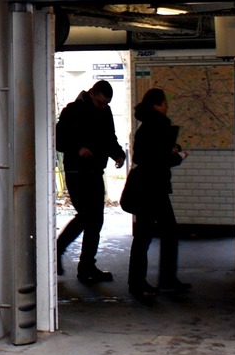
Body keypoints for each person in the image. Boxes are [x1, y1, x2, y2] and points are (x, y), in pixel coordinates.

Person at [54, 79, 126, 283]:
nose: (103, 107)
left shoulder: (105, 112)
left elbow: (109, 137)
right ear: (92, 94)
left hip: (95, 170)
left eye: (106, 104)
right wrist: (78, 149)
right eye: (100, 102)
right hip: (76, 171)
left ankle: (87, 266)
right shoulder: (72, 111)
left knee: (96, 220)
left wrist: (118, 154)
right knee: (87, 216)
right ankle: (60, 249)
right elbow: (59, 140)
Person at [126, 88, 190, 297]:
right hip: (155, 188)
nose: (167, 107)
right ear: (157, 105)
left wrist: (170, 150)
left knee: (144, 235)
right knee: (168, 233)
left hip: (146, 186)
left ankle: (139, 281)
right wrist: (178, 156)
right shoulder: (161, 125)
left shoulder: (144, 127)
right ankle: (164, 279)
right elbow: (160, 160)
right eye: (164, 103)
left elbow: (140, 158)